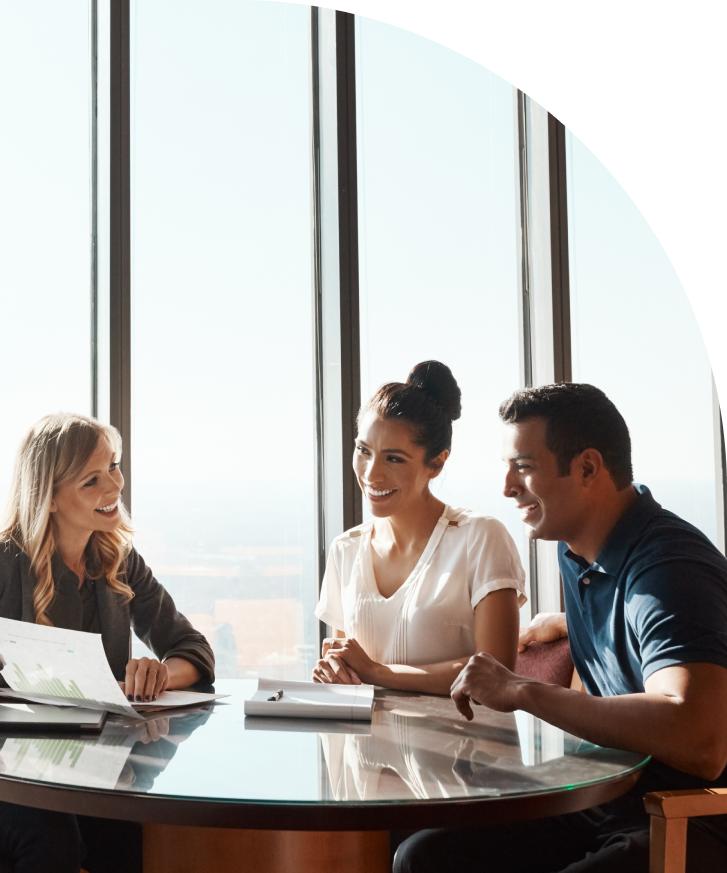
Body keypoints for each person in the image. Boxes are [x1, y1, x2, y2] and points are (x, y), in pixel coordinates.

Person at [395, 382, 727, 872]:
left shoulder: (670, 568)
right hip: (604, 798)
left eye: (524, 468)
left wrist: (523, 690)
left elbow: (701, 741)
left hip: (685, 819)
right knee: (423, 856)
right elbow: (651, 630)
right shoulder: (577, 552)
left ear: (588, 468)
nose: (507, 487)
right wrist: (569, 623)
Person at [0, 412, 215, 873]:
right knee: (51, 839)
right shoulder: (4, 561)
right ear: (51, 498)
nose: (114, 486)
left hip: (90, 763)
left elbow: (192, 648)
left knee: (126, 829)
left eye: (114, 467)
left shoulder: (117, 557)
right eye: (91, 480)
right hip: (12, 773)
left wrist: (158, 673)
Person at [312, 361, 526, 694]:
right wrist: (336, 673)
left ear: (437, 463)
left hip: (461, 744)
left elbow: (494, 673)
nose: (371, 474)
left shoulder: (480, 539)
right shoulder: (346, 549)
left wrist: (377, 672)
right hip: (363, 743)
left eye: (393, 458)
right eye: (363, 450)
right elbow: (347, 672)